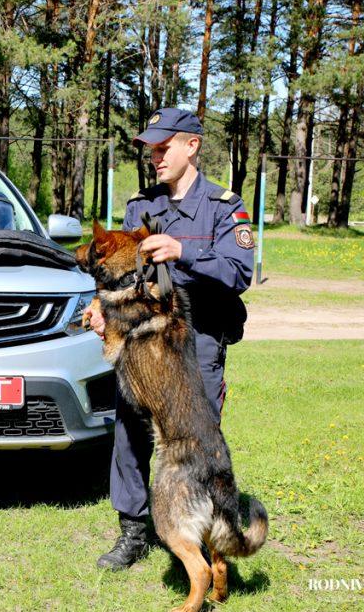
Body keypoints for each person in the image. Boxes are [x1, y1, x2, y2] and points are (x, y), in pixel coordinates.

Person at [85, 108, 254, 570]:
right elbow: (116, 270)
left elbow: (240, 271)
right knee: (129, 431)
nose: (155, 157)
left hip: (198, 341)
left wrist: (184, 250)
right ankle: (133, 531)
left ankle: (208, 538)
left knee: (196, 443)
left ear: (191, 145)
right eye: (151, 149)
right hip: (142, 342)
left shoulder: (222, 205)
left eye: (163, 147)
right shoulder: (142, 205)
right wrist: (100, 308)